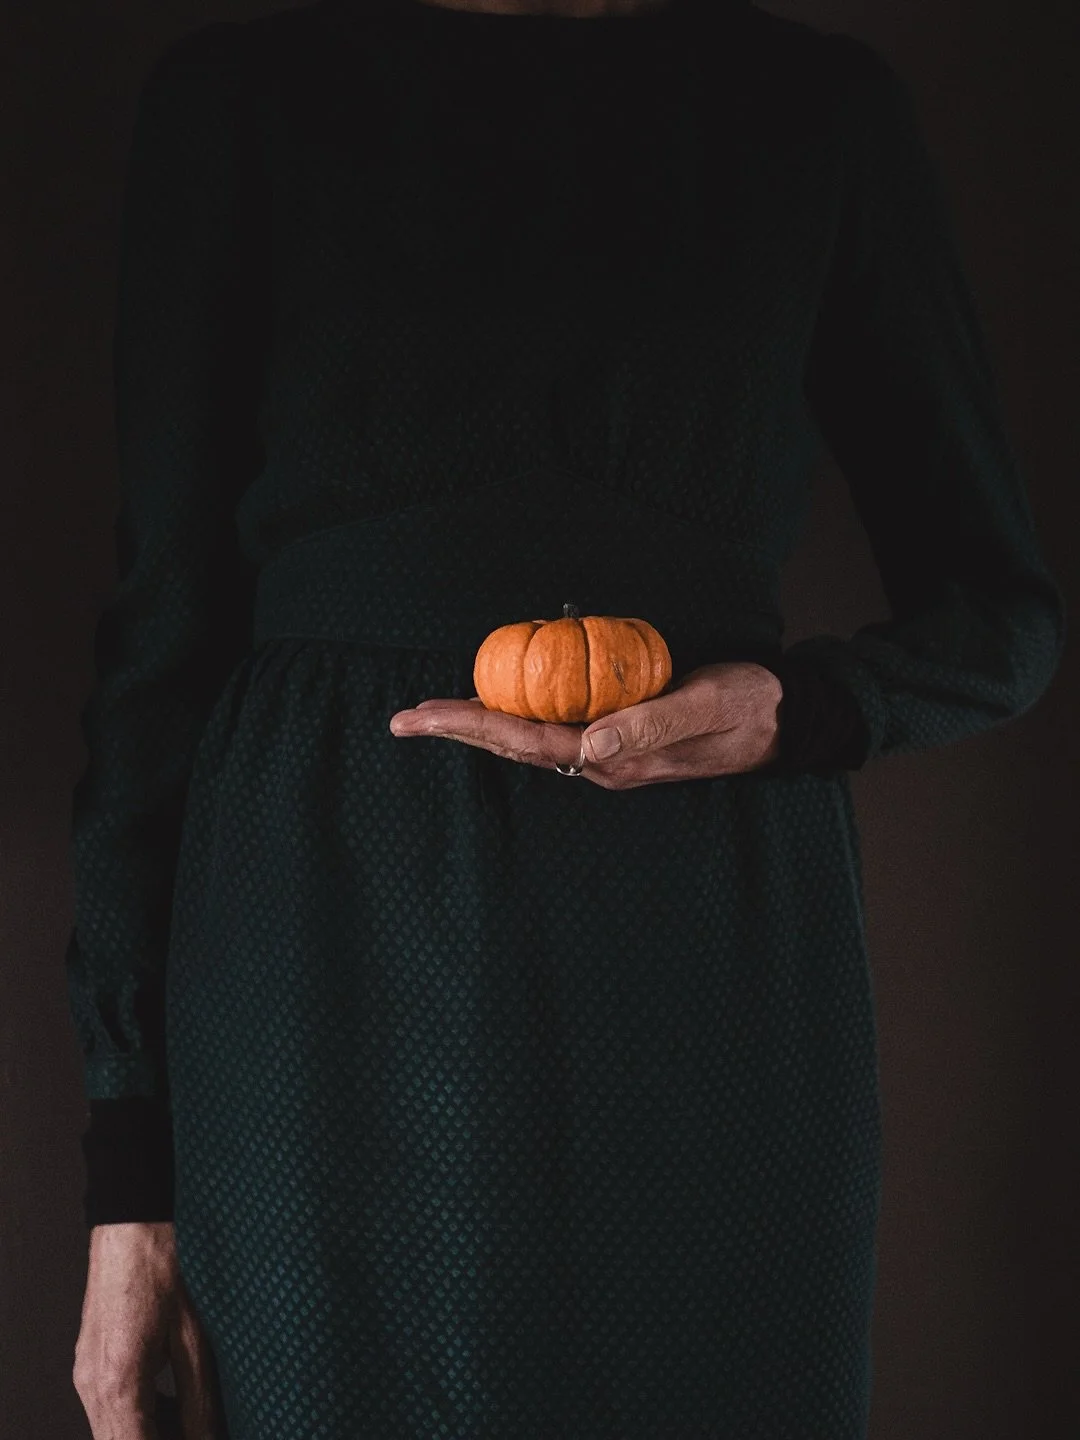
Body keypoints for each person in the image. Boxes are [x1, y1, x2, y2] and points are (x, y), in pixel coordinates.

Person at [66, 0, 1066, 1436]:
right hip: (318, 954)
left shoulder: (819, 113)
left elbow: (1002, 612)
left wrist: (801, 708)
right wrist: (128, 1197)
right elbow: (160, 640)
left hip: (707, 962)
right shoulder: (237, 98)